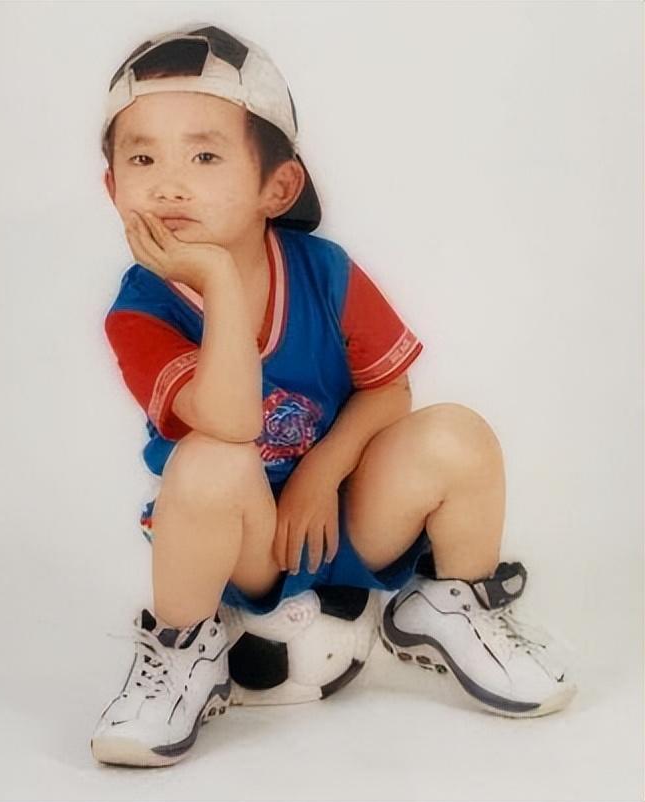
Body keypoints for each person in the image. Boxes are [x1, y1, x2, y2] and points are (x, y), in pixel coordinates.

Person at [90, 23, 576, 768]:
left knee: (458, 433)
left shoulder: (323, 271)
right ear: (112, 188)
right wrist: (217, 280)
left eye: (205, 156)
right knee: (211, 461)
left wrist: (323, 471)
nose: (169, 183)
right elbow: (230, 423)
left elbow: (390, 391)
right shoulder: (140, 312)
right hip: (245, 544)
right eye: (142, 158)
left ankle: (449, 603)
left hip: (340, 518)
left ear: (277, 187)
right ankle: (185, 649)